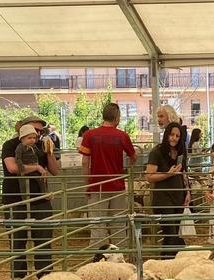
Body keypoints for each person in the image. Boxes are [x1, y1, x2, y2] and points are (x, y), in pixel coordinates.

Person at [1, 114, 59, 278]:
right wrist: (36, 168)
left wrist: (49, 153)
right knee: (17, 239)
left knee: (43, 239)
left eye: (40, 132)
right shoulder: (10, 145)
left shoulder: (42, 145)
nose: (38, 135)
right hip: (15, 198)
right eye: (35, 130)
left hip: (40, 198)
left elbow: (55, 171)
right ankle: (19, 277)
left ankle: (44, 276)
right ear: (24, 129)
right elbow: (12, 168)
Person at [80, 103, 137, 247]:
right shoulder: (122, 136)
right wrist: (126, 170)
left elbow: (85, 162)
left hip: (97, 186)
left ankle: (98, 261)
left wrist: (88, 185)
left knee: (98, 225)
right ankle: (121, 261)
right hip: (117, 186)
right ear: (117, 118)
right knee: (118, 225)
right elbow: (134, 156)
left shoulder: (89, 135)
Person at [146, 122, 189, 254]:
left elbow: (184, 172)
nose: (174, 138)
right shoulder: (157, 151)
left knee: (173, 233)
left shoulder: (181, 151)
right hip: (162, 197)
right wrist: (168, 174)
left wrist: (187, 191)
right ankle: (169, 261)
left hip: (178, 195)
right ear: (166, 135)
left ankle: (166, 263)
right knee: (170, 232)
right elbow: (149, 176)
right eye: (171, 134)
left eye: (177, 135)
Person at [15, 124, 48, 196]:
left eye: (34, 138)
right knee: (23, 183)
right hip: (26, 167)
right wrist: (22, 169)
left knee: (41, 179)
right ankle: (24, 197)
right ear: (22, 138)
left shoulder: (34, 146)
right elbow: (18, 158)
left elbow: (39, 154)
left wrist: (46, 150)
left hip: (35, 167)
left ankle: (44, 193)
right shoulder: (20, 147)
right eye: (29, 138)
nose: (32, 140)